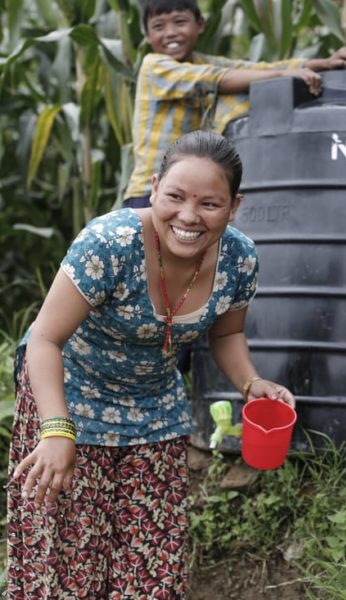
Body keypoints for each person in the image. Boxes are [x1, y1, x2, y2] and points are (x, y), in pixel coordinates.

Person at [7, 130, 293, 598]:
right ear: (155, 187)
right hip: (69, 395)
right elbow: (44, 338)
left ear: (234, 206)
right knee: (71, 563)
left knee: (153, 564)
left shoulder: (239, 259)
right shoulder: (110, 243)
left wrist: (251, 383)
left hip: (153, 406)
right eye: (176, 196)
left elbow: (227, 333)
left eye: (209, 204)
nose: (188, 216)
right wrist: (56, 429)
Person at [123, 0, 346, 208]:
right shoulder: (153, 66)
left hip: (186, 191)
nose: (170, 32)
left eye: (180, 22)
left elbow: (253, 69)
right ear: (146, 34)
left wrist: (320, 64)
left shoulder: (201, 61)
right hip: (150, 191)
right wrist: (283, 76)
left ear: (201, 24)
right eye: (159, 26)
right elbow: (219, 79)